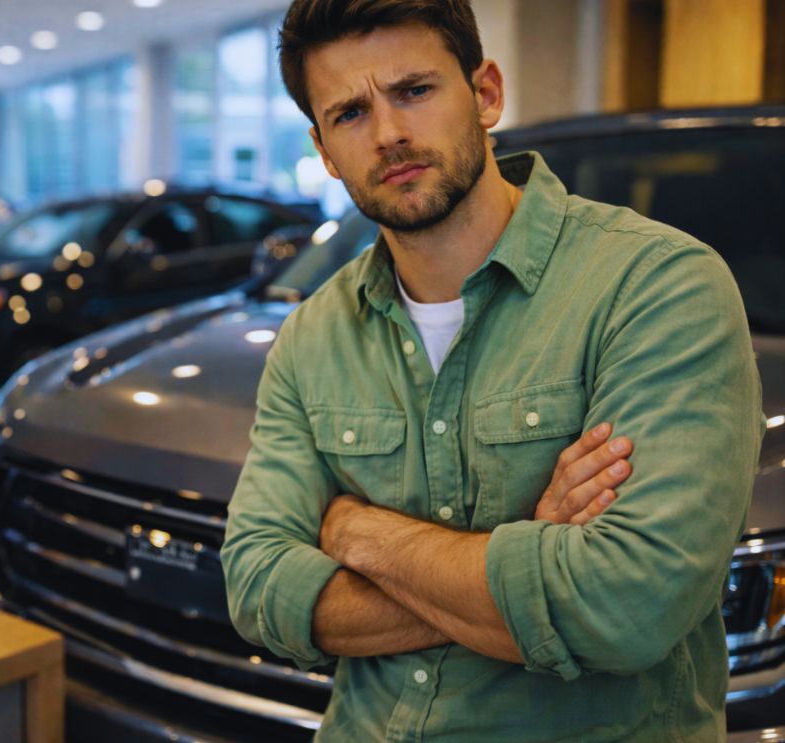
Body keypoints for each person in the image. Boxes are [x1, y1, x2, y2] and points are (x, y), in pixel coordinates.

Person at [221, 1, 763, 740]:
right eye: (349, 112)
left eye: (414, 90)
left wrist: (358, 533)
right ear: (322, 149)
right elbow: (256, 587)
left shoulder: (655, 286)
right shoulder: (312, 336)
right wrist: (524, 559)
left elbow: (625, 607)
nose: (387, 134)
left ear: (484, 94)